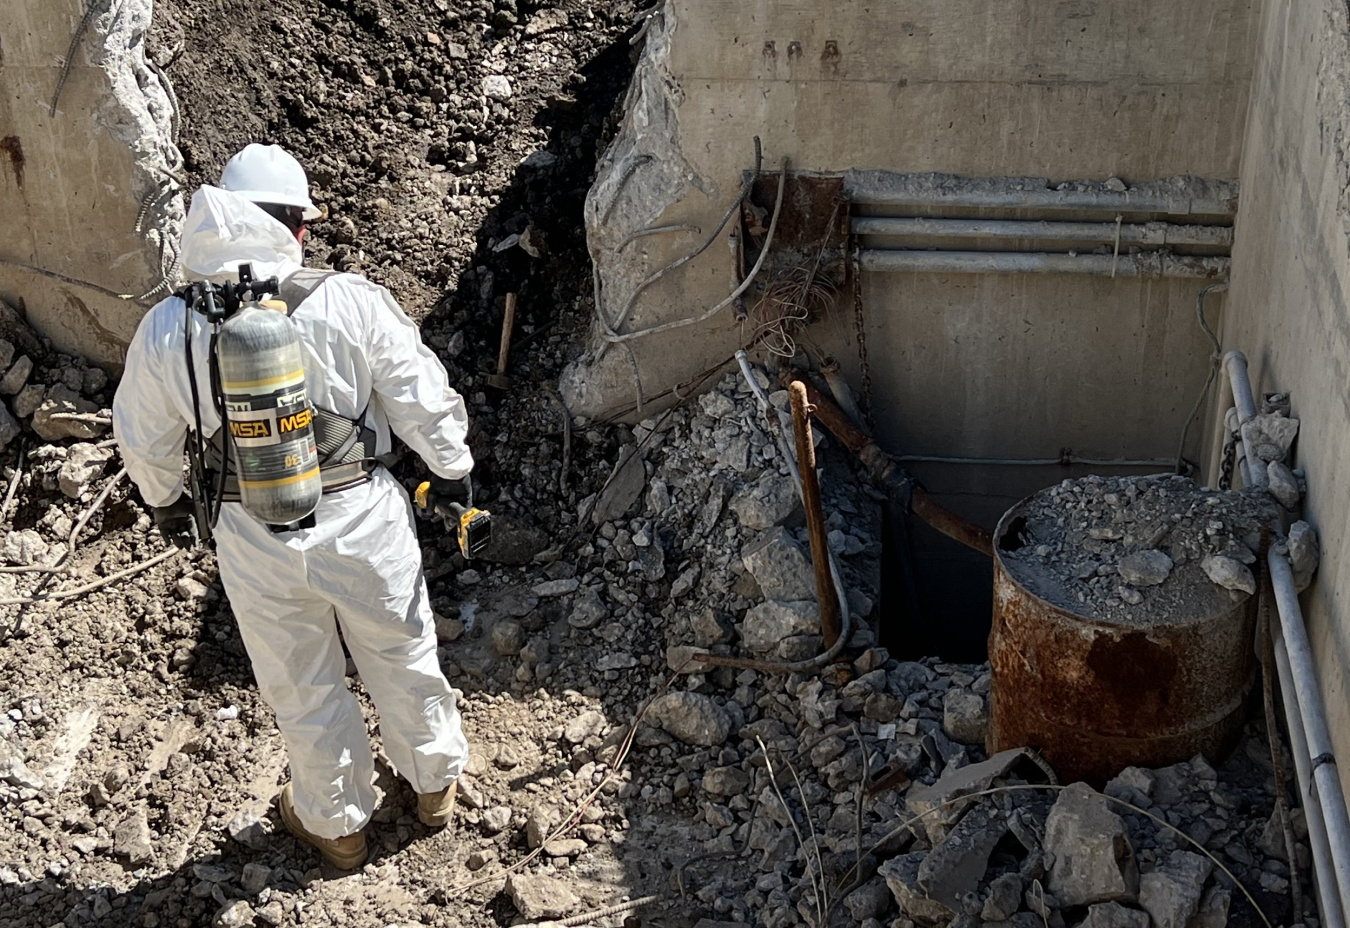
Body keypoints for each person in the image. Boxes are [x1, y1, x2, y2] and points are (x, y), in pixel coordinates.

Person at [113, 143, 472, 869]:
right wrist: (453, 469)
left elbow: (142, 437)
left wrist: (167, 503)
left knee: (302, 685)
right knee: (402, 652)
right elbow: (420, 394)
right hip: (363, 518)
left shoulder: (169, 327)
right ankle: (434, 787)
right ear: (291, 227)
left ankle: (338, 826)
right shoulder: (346, 298)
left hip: (252, 532)